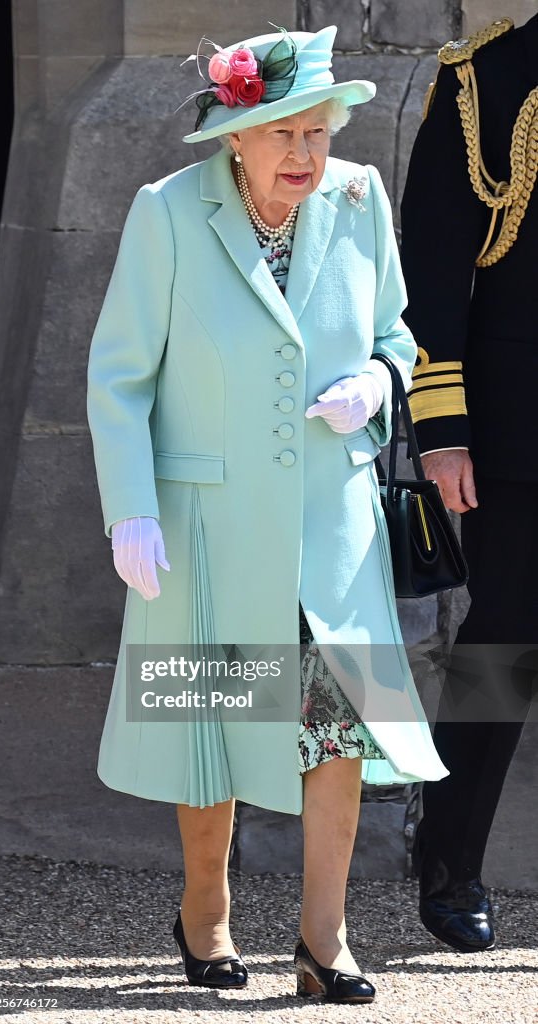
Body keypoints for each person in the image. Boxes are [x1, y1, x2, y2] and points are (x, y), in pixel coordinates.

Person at [86, 23, 448, 1004]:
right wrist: (131, 513)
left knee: (334, 739)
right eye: (283, 133)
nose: (304, 154)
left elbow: (396, 337)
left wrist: (376, 383)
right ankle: (205, 911)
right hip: (202, 532)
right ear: (232, 136)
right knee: (209, 731)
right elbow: (118, 379)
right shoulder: (167, 214)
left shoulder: (357, 200)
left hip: (331, 530)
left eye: (317, 131)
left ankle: (321, 941)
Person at [400, 13, 538, 952]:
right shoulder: (484, 79)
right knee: (506, 645)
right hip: (517, 416)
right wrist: (441, 429)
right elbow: (437, 263)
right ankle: (448, 864)